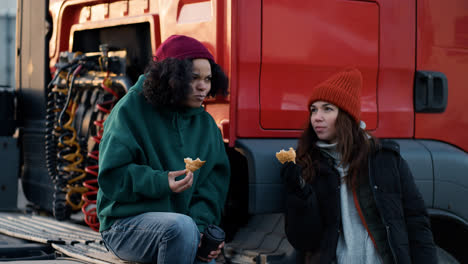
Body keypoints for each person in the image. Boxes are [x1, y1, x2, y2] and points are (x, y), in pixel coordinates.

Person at [96, 35, 231, 264]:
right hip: (123, 226)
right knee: (180, 228)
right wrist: (160, 182)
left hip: (182, 229)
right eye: (194, 77)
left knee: (190, 235)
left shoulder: (207, 127)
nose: (203, 86)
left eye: (208, 79)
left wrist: (200, 231)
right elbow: (112, 177)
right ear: (171, 76)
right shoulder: (130, 110)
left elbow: (211, 190)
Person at [280, 68, 437, 264]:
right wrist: (300, 193)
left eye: (327, 109)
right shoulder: (307, 164)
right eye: (314, 109)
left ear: (346, 116)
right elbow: (304, 241)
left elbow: (416, 224)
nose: (316, 117)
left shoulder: (386, 160)